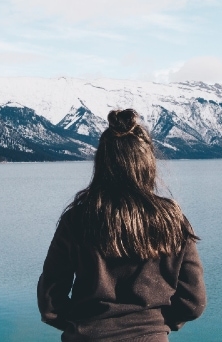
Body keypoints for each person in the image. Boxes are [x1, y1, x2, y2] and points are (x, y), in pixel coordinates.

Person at [38, 109, 206, 342]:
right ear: (147, 163)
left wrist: (82, 326)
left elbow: (50, 300)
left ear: (102, 163)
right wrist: (157, 326)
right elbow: (193, 303)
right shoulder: (172, 220)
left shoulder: (76, 219)